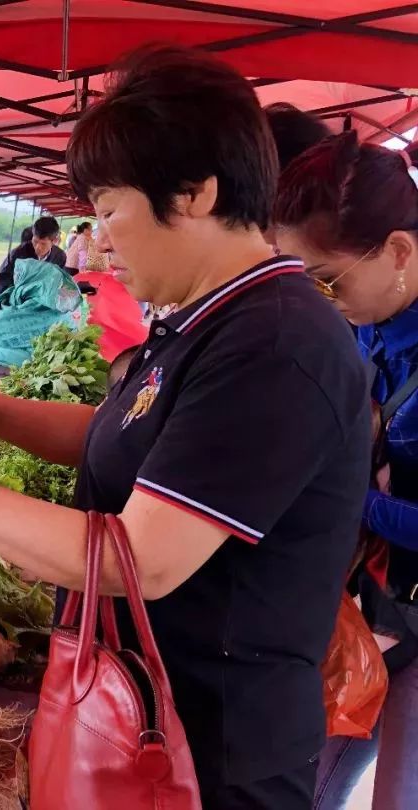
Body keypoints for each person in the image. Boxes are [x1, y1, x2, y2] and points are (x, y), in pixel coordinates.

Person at [0, 46, 370, 810]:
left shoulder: (273, 342)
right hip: (141, 717)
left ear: (195, 193)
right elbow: (123, 440)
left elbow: (141, 560)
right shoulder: (208, 318)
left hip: (205, 753)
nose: (100, 241)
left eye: (110, 209)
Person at [275, 132, 418, 810]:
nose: (320, 299)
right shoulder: (364, 321)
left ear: (398, 251)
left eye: (328, 279)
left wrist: (353, 503)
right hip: (370, 601)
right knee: (313, 781)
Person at [0, 216, 69, 293]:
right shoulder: (18, 253)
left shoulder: (60, 257)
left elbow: (59, 281)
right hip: (18, 296)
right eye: (35, 241)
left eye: (43, 244)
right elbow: (4, 278)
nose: (38, 247)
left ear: (55, 241)